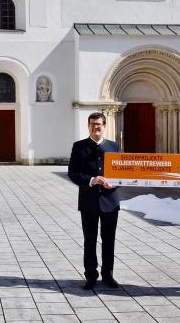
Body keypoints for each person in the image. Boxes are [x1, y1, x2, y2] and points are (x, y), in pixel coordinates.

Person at [68, 112, 120, 290]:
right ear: (88, 126)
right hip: (88, 202)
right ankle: (90, 275)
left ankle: (108, 275)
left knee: (109, 240)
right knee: (89, 240)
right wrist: (91, 180)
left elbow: (123, 175)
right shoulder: (79, 146)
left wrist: (112, 184)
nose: (95, 127)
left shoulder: (114, 147)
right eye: (92, 124)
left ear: (104, 126)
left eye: (98, 124)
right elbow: (73, 173)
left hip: (110, 201)